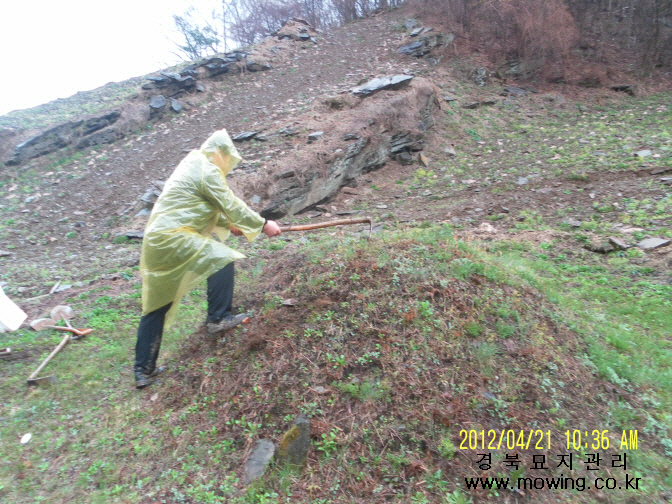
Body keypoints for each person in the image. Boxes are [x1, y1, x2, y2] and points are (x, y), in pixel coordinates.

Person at [133, 129, 281, 389]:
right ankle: (218, 318)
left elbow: (206, 207)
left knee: (158, 304)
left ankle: (143, 370)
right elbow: (228, 202)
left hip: (158, 241)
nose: (227, 164)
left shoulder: (192, 166)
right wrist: (262, 224)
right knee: (221, 258)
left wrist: (232, 226)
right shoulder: (205, 168)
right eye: (227, 158)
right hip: (173, 236)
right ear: (219, 153)